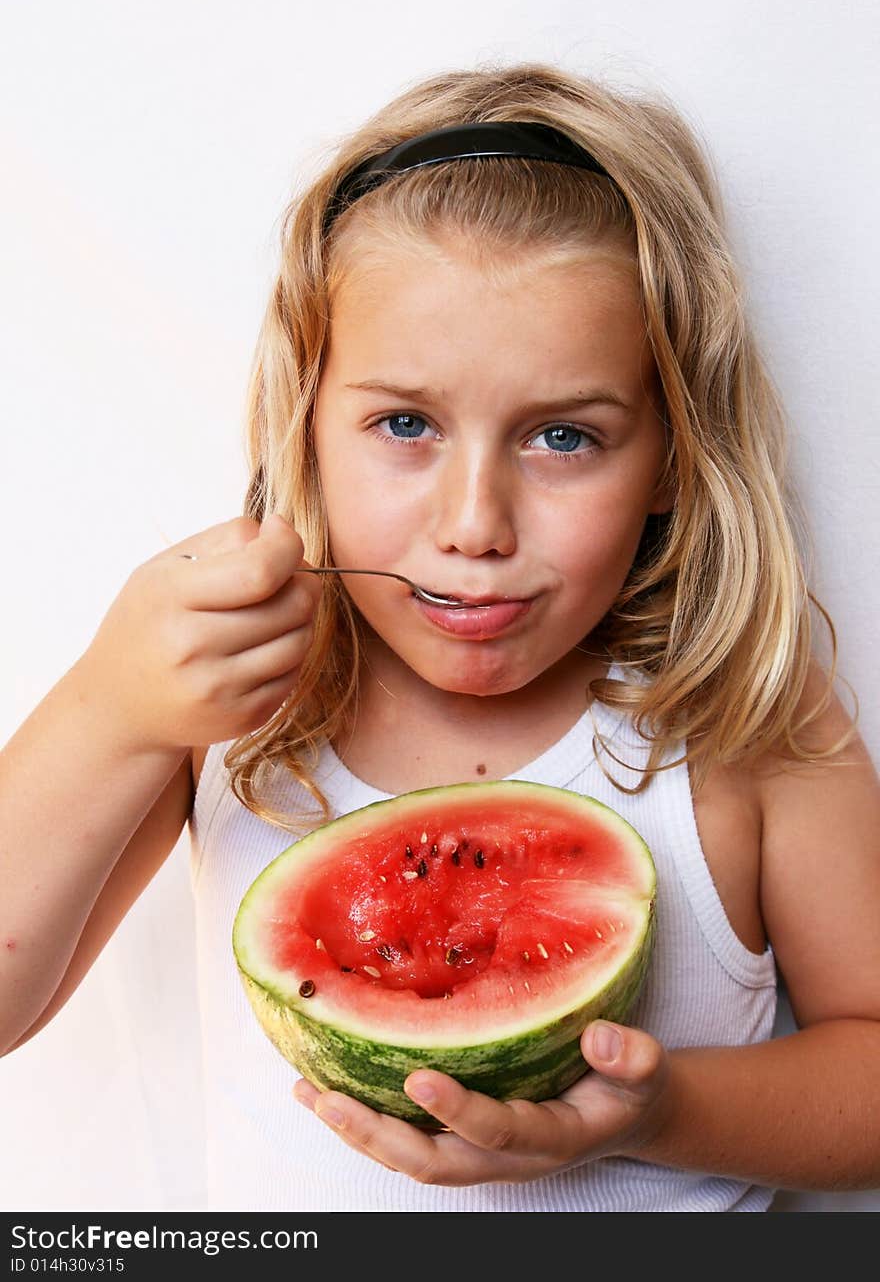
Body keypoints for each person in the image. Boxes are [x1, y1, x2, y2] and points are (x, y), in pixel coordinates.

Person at [2, 62, 878, 1214]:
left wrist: (662, 1113)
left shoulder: (737, 714)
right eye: (404, 424)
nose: (475, 525)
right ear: (305, 426)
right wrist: (109, 708)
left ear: (672, 455)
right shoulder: (232, 703)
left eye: (564, 435)